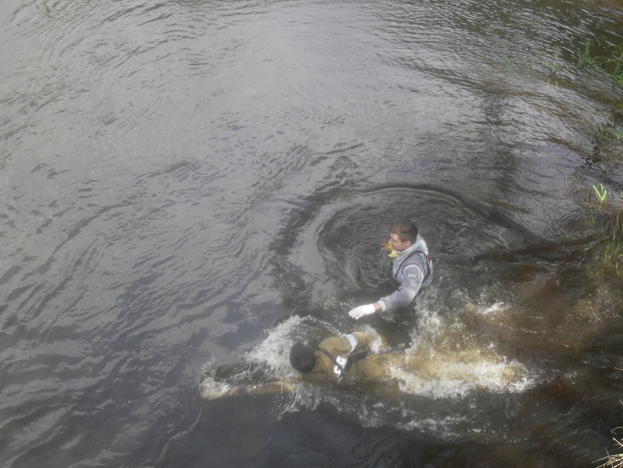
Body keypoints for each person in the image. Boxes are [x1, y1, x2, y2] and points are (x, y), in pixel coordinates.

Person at [348, 219, 433, 320]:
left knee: (384, 313)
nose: (389, 242)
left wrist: (373, 307)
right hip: (408, 267)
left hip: (417, 289)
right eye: (390, 238)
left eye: (394, 241)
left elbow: (406, 296)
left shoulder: (413, 267)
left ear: (407, 243)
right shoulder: (417, 239)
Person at [289, 331, 401, 383]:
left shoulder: (309, 377)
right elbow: (359, 338)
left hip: (357, 381)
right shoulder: (327, 346)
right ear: (316, 354)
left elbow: (295, 382)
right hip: (371, 366)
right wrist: (374, 340)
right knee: (401, 361)